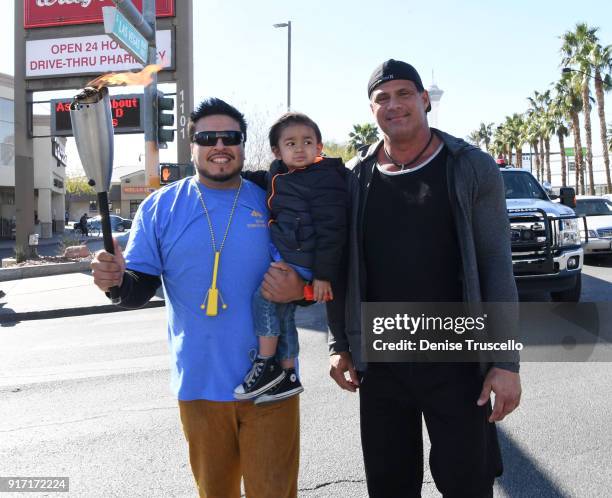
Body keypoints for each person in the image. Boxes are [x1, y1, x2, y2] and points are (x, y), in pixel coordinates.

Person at [91, 98, 305, 498]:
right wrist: (113, 281)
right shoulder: (160, 207)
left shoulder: (273, 199)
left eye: (231, 137)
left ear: (242, 145)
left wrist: (302, 289)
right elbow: (136, 288)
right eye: (208, 137)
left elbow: (310, 270)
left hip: (271, 384)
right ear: (192, 147)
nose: (220, 145)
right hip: (200, 386)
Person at [327, 59, 522, 498]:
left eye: (403, 94)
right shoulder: (356, 178)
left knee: (467, 483)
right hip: (381, 357)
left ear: (425, 100)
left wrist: (505, 363)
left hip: (457, 353)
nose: (393, 105)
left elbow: (495, 266)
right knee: (389, 485)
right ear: (371, 109)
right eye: (382, 98)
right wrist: (340, 344)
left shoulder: (470, 167)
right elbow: (339, 269)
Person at [233, 112, 347, 404]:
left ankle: (267, 362)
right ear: (277, 151)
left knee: (265, 299)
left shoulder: (325, 180)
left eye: (308, 142)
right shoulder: (279, 173)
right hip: (291, 250)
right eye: (291, 143)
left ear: (319, 147)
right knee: (284, 314)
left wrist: (322, 275)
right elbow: (265, 179)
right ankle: (288, 375)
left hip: (304, 258)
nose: (300, 148)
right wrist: (236, 175)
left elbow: (332, 230)